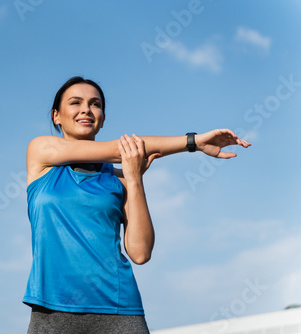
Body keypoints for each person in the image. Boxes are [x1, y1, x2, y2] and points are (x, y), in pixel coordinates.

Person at [23, 76, 250, 334]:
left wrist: (134, 179)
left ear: (103, 118)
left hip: (119, 311)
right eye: (76, 103)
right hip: (51, 312)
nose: (86, 109)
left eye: (95, 104)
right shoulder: (41, 153)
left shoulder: (119, 177)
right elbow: (122, 150)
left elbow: (140, 253)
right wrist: (194, 142)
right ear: (57, 116)